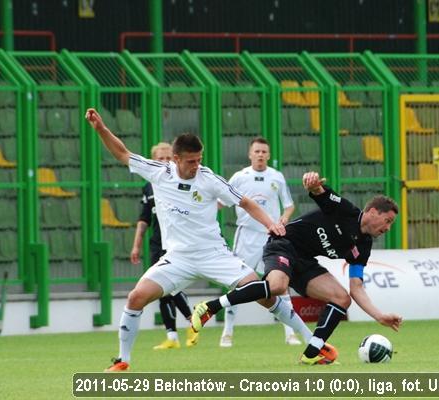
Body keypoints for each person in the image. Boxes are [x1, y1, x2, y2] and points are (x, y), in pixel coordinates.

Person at [84, 108, 314, 372]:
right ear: (176, 158)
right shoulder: (159, 172)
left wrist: (271, 224)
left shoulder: (209, 179)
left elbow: (246, 202)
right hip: (177, 258)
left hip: (214, 254)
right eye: (191, 161)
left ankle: (313, 343)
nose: (197, 165)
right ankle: (123, 360)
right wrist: (101, 128)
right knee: (136, 297)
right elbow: (123, 154)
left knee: (263, 293)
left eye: (199, 159)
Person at [192, 171, 403, 365]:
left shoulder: (364, 246)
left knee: (342, 298)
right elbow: (318, 190)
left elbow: (356, 287)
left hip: (305, 261)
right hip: (283, 244)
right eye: (388, 221)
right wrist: (311, 181)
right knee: (276, 286)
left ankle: (312, 353)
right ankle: (210, 307)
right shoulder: (346, 211)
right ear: (373, 212)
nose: (387, 228)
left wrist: (379, 316)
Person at [220, 137, 300, 348]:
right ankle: (227, 332)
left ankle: (290, 332)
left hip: (271, 236)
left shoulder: (277, 177)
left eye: (264, 151)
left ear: (269, 155)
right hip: (246, 236)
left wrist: (284, 217)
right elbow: (222, 203)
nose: (260, 155)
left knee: (280, 282)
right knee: (237, 281)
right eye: (257, 151)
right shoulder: (239, 177)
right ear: (250, 154)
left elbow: (289, 205)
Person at [130, 142, 199, 350]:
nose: (164, 162)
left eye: (168, 157)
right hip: (156, 243)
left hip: (177, 243)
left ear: (175, 159)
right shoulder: (149, 186)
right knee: (161, 290)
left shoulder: (185, 182)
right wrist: (136, 245)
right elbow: (144, 219)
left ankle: (191, 319)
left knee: (171, 286)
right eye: (160, 158)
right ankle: (172, 337)